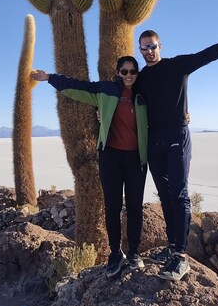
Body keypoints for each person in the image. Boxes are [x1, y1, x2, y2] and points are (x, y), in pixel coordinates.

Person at [135, 18, 218, 281]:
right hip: (153, 140)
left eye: (152, 46)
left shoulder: (177, 65)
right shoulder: (141, 79)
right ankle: (171, 247)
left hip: (177, 136)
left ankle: (181, 257)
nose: (148, 52)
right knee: (165, 196)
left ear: (160, 46)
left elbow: (208, 55)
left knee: (179, 194)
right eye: (143, 48)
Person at [31, 56, 148, 278]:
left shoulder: (143, 95)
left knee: (135, 206)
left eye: (133, 71)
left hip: (136, 159)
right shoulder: (105, 90)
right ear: (118, 72)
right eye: (124, 72)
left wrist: (183, 117)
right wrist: (49, 78)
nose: (129, 75)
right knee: (112, 207)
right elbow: (79, 87)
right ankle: (116, 253)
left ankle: (134, 253)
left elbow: (163, 109)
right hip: (110, 157)